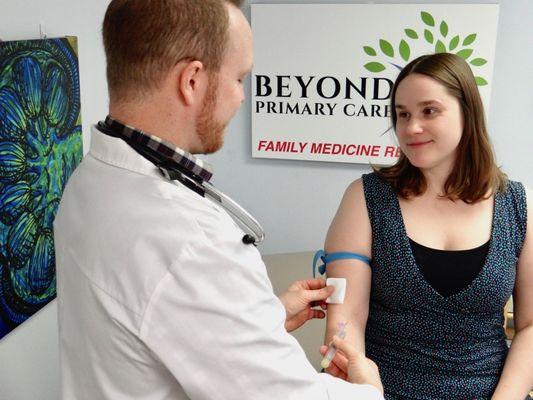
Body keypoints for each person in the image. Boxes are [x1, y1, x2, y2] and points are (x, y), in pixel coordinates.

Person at [53, 0, 384, 399]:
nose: (242, 98)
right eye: (239, 78)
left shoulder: (90, 180)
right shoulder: (192, 240)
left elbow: (156, 315)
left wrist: (267, 315)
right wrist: (368, 388)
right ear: (191, 80)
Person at [321, 52, 533, 399]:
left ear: (468, 112)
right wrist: (363, 389)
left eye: (428, 111)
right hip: (381, 391)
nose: (410, 127)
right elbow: (345, 324)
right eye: (402, 114)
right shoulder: (366, 199)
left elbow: (529, 326)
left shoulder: (517, 207)